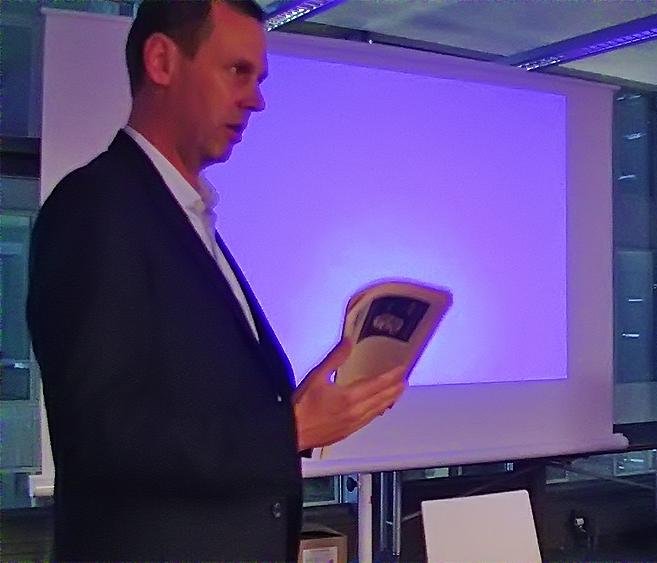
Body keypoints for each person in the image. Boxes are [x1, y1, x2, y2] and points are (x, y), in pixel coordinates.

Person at [26, 1, 405, 559]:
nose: (256, 99)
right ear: (161, 61)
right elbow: (102, 437)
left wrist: (296, 409)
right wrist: (287, 432)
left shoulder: (186, 218)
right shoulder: (97, 207)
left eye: (259, 78)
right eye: (237, 71)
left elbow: (189, 405)